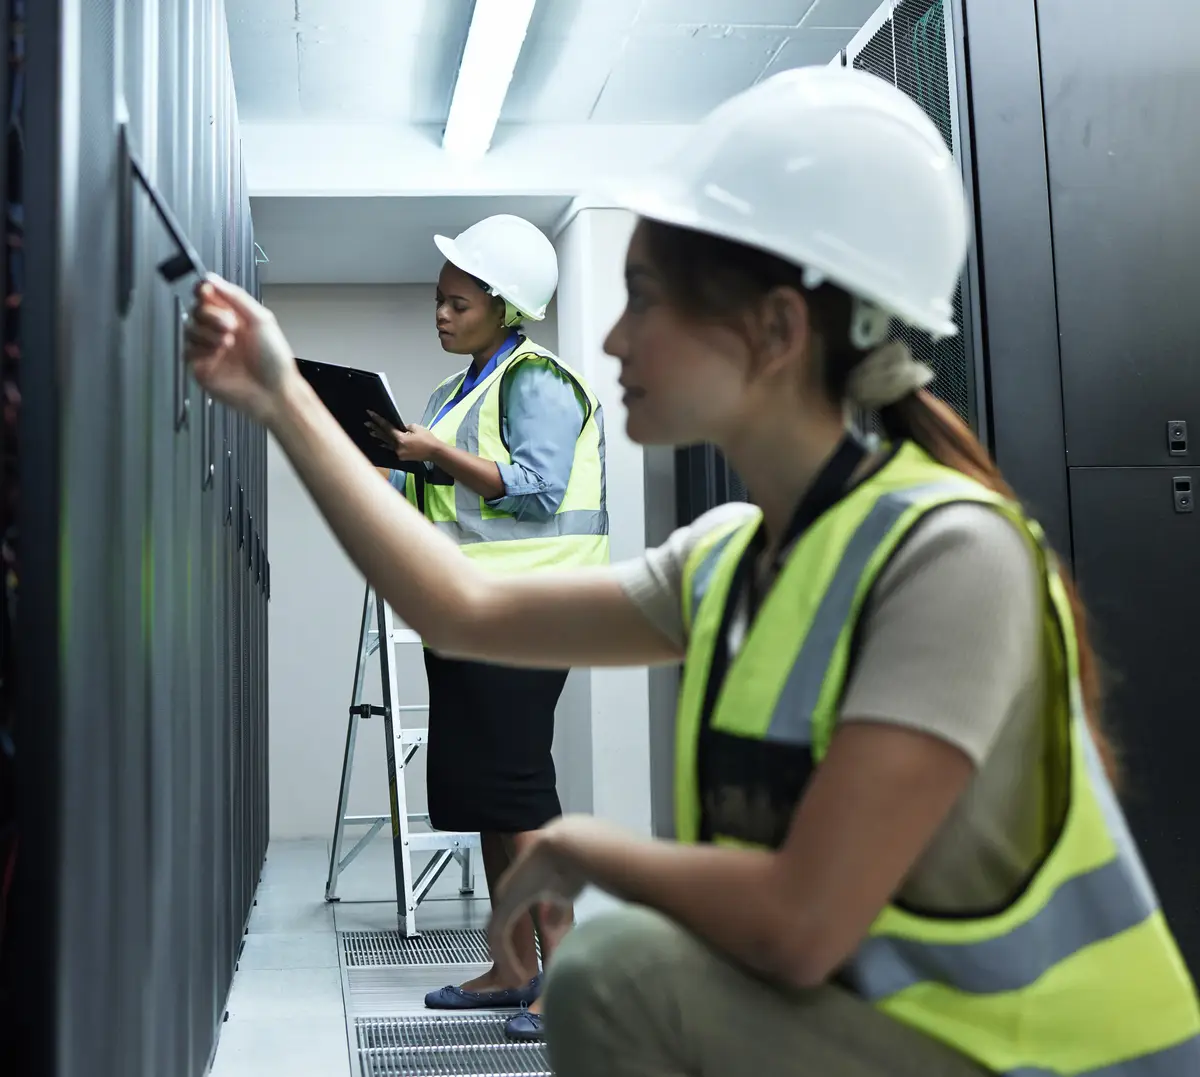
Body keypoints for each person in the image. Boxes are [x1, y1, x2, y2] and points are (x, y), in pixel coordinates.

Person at [183, 66, 1200, 1076]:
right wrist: (279, 396)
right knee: (622, 978)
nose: (612, 337)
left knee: (614, 969)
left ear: (776, 331)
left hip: (1037, 1058)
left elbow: (799, 924)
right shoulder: (727, 559)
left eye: (644, 300)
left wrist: (582, 848)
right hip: (875, 1029)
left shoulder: (949, 556)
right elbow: (461, 608)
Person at [361, 214, 609, 1041]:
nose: (440, 313)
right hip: (470, 612)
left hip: (529, 614)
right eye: (438, 299)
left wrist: (432, 453)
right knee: (491, 801)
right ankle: (510, 966)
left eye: (457, 302)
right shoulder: (452, 394)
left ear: (504, 305)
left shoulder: (538, 382)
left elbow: (535, 489)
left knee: (521, 797)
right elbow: (439, 499)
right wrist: (383, 463)